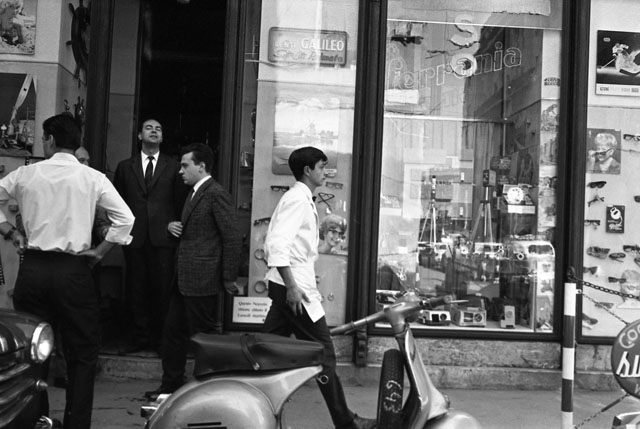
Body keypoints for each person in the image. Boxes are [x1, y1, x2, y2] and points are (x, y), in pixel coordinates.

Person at [0, 113, 135, 428]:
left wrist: (10, 231)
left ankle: (37, 421)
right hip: (74, 271)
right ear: (77, 143)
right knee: (83, 354)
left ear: (49, 140)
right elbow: (126, 219)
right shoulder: (92, 177)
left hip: (33, 269)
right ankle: (77, 424)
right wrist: (100, 252)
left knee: (32, 351)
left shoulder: (26, 174)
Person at [262, 146, 375, 429]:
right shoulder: (297, 200)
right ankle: (346, 423)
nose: (326, 172)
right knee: (324, 355)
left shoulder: (302, 198)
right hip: (295, 288)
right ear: (307, 170)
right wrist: (292, 288)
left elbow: (295, 246)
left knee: (265, 349)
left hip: (288, 284)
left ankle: (250, 402)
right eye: (322, 167)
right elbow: (277, 244)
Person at [145, 143, 241, 399]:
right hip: (184, 277)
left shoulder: (215, 193)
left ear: (202, 166)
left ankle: (206, 390)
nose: (180, 171)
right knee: (173, 334)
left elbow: (231, 237)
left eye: (185, 165)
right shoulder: (194, 192)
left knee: (202, 338)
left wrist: (228, 277)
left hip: (202, 278)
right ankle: (171, 387)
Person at [113, 119, 188, 355]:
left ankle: (161, 341)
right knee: (135, 289)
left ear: (162, 138)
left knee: (162, 291)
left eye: (158, 129)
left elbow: (181, 201)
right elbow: (117, 202)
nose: (154, 131)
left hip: (163, 237)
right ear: (139, 136)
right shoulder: (125, 167)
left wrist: (175, 222)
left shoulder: (174, 166)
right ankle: (138, 338)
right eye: (149, 128)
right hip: (134, 236)